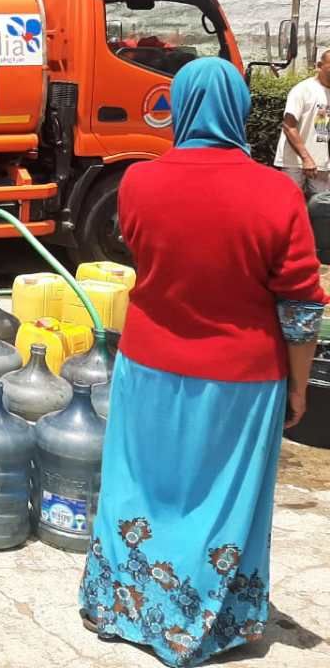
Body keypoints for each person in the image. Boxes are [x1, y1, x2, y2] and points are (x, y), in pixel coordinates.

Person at [78, 58, 327, 666]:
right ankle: (203, 621)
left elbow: (154, 263)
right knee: (223, 499)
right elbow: (300, 307)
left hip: (147, 369)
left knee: (139, 488)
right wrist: (299, 387)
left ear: (179, 107)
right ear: (241, 108)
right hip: (242, 381)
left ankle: (123, 607)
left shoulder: (138, 182)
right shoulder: (277, 191)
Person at [275, 49, 330, 197]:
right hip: (295, 163)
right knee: (290, 204)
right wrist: (306, 158)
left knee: (323, 210)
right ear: (319, 65)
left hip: (322, 164)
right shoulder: (303, 90)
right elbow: (288, 126)